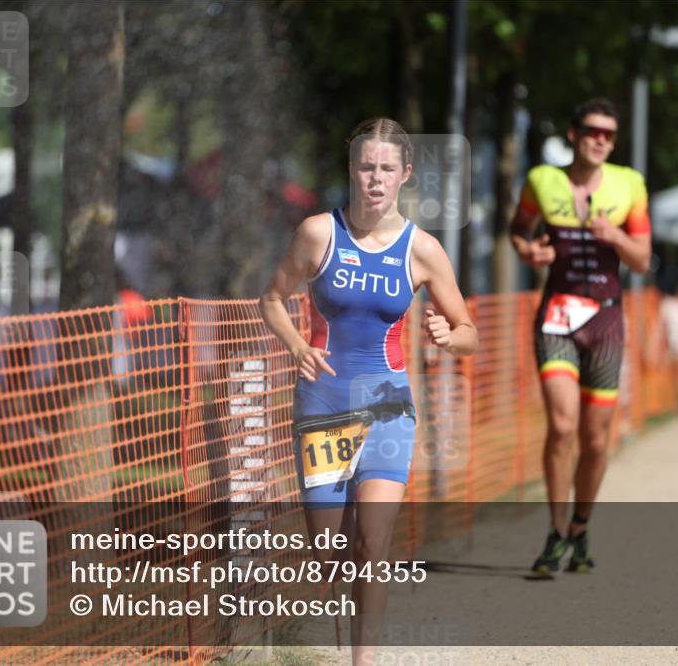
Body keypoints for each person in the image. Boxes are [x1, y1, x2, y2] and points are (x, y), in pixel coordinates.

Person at [259, 118, 477, 664]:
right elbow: (271, 299)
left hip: (387, 407)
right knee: (330, 556)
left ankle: (365, 660)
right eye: (365, 166)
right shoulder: (317, 233)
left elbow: (470, 331)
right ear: (352, 170)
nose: (374, 179)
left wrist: (451, 336)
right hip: (324, 404)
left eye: (386, 168)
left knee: (372, 544)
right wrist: (296, 346)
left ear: (404, 174)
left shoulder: (422, 249)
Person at [508, 98, 651, 578]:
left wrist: (615, 236)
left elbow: (643, 260)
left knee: (595, 440)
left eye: (609, 134)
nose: (600, 140)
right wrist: (530, 251)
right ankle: (554, 531)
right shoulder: (541, 181)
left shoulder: (630, 185)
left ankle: (581, 527)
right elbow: (518, 230)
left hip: (607, 322)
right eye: (592, 130)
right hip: (557, 317)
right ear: (573, 133)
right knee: (563, 427)